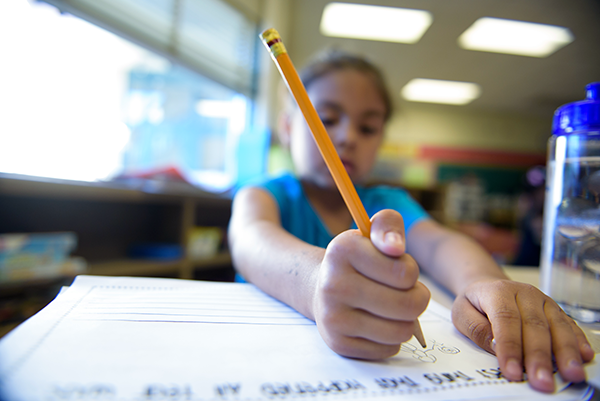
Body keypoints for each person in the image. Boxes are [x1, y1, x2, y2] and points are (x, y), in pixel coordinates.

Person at [228, 51, 594, 393]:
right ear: (288, 126)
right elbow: (252, 242)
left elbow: (439, 243)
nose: (347, 137)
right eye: (326, 120)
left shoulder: (390, 202)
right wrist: (315, 283)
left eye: (368, 128)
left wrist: (484, 282)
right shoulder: (262, 194)